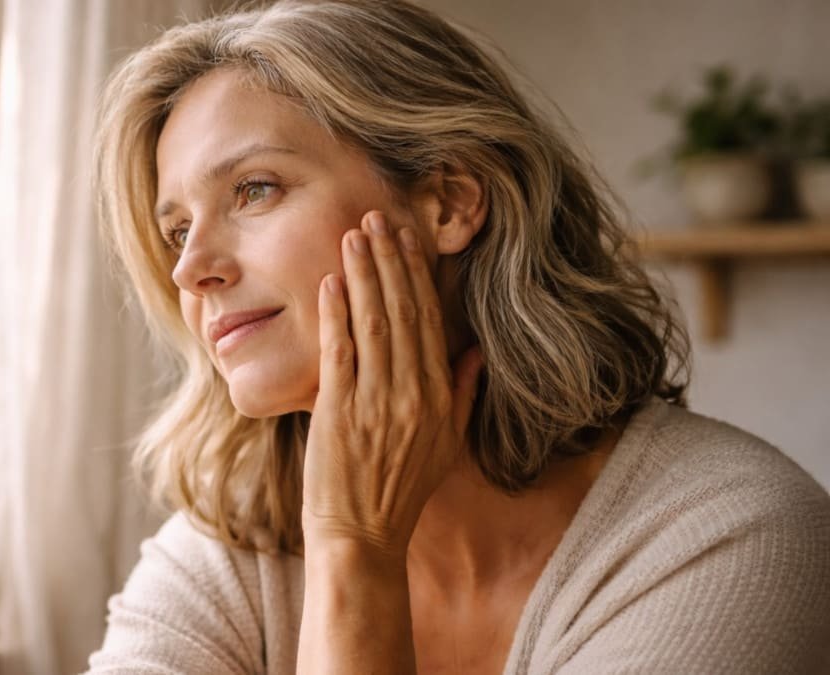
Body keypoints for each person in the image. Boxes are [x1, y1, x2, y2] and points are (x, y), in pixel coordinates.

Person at [87, 1, 830, 672]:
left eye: (254, 189)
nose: (191, 269)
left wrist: (354, 553)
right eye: (177, 229)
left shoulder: (736, 538)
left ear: (447, 202)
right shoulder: (235, 545)